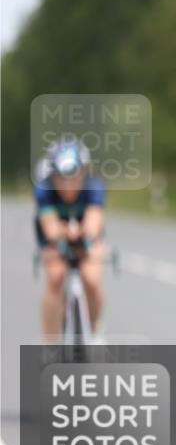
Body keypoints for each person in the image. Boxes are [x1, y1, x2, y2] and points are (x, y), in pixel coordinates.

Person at [34, 137, 107, 338]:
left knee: (91, 279)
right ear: (53, 176)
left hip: (86, 234)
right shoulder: (44, 189)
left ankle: (94, 329)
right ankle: (49, 343)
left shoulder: (94, 185)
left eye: (74, 178)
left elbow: (93, 221)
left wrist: (85, 235)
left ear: (83, 173)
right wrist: (63, 233)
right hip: (55, 237)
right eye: (62, 179)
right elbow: (49, 227)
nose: (68, 185)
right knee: (56, 277)